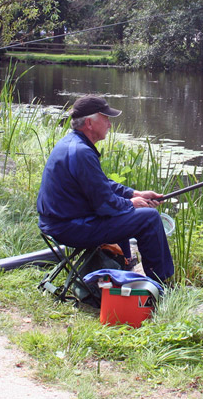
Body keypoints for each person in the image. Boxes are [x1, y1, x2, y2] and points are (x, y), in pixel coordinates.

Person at [37, 95, 174, 282]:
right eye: (106, 118)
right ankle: (160, 283)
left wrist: (134, 194)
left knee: (125, 212)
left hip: (60, 222)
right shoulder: (82, 152)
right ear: (89, 123)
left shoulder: (73, 144)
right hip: (68, 227)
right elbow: (105, 204)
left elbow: (100, 183)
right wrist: (131, 204)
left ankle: (124, 265)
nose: (109, 124)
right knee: (149, 218)